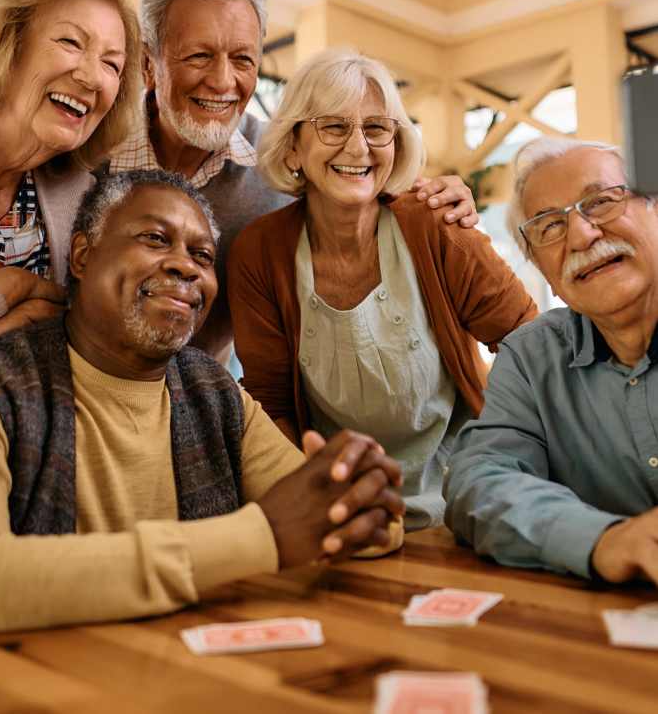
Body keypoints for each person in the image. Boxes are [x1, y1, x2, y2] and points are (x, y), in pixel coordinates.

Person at [0, 169, 404, 636]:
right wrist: (260, 538)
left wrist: (364, 495)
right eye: (155, 238)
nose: (185, 266)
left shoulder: (215, 393)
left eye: (203, 255)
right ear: (84, 256)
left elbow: (330, 520)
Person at [109, 0, 479, 362]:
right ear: (146, 63)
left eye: (243, 59)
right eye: (200, 56)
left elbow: (366, 180)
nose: (222, 81)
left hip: (200, 400)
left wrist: (441, 200)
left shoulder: (285, 156)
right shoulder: (89, 152)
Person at [227, 48, 537, 530]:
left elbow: (529, 345)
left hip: (466, 501)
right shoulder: (259, 252)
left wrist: (494, 461)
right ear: (292, 146)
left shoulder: (435, 222)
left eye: (376, 128)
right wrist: (317, 501)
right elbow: (273, 406)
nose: (358, 148)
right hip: (343, 509)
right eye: (333, 127)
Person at [445, 136, 658, 585]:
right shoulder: (530, 357)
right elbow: (478, 482)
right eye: (549, 227)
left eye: (600, 202)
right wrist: (602, 540)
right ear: (542, 270)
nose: (582, 235)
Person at [0, 0, 140, 352]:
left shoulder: (84, 203)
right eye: (71, 42)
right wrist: (11, 287)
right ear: (9, 43)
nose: (92, 78)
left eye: (112, 64)